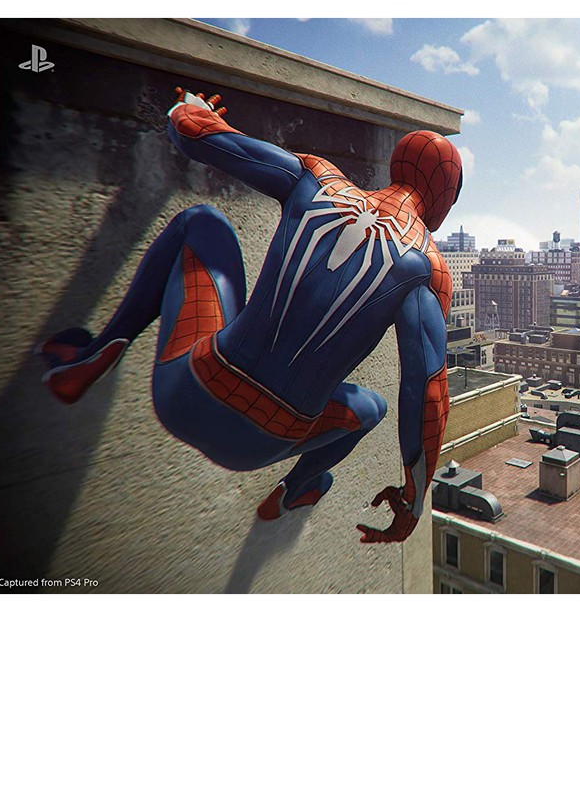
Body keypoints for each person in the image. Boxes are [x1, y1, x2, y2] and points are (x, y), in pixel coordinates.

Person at [38, 89, 462, 543]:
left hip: (186, 391)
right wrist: (413, 502)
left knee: (202, 222)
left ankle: (95, 357)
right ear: (444, 200)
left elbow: (193, 135)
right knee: (370, 408)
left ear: (397, 167)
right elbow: (426, 394)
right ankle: (294, 490)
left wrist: (194, 109)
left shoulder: (317, 178)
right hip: (262, 443)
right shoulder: (427, 270)